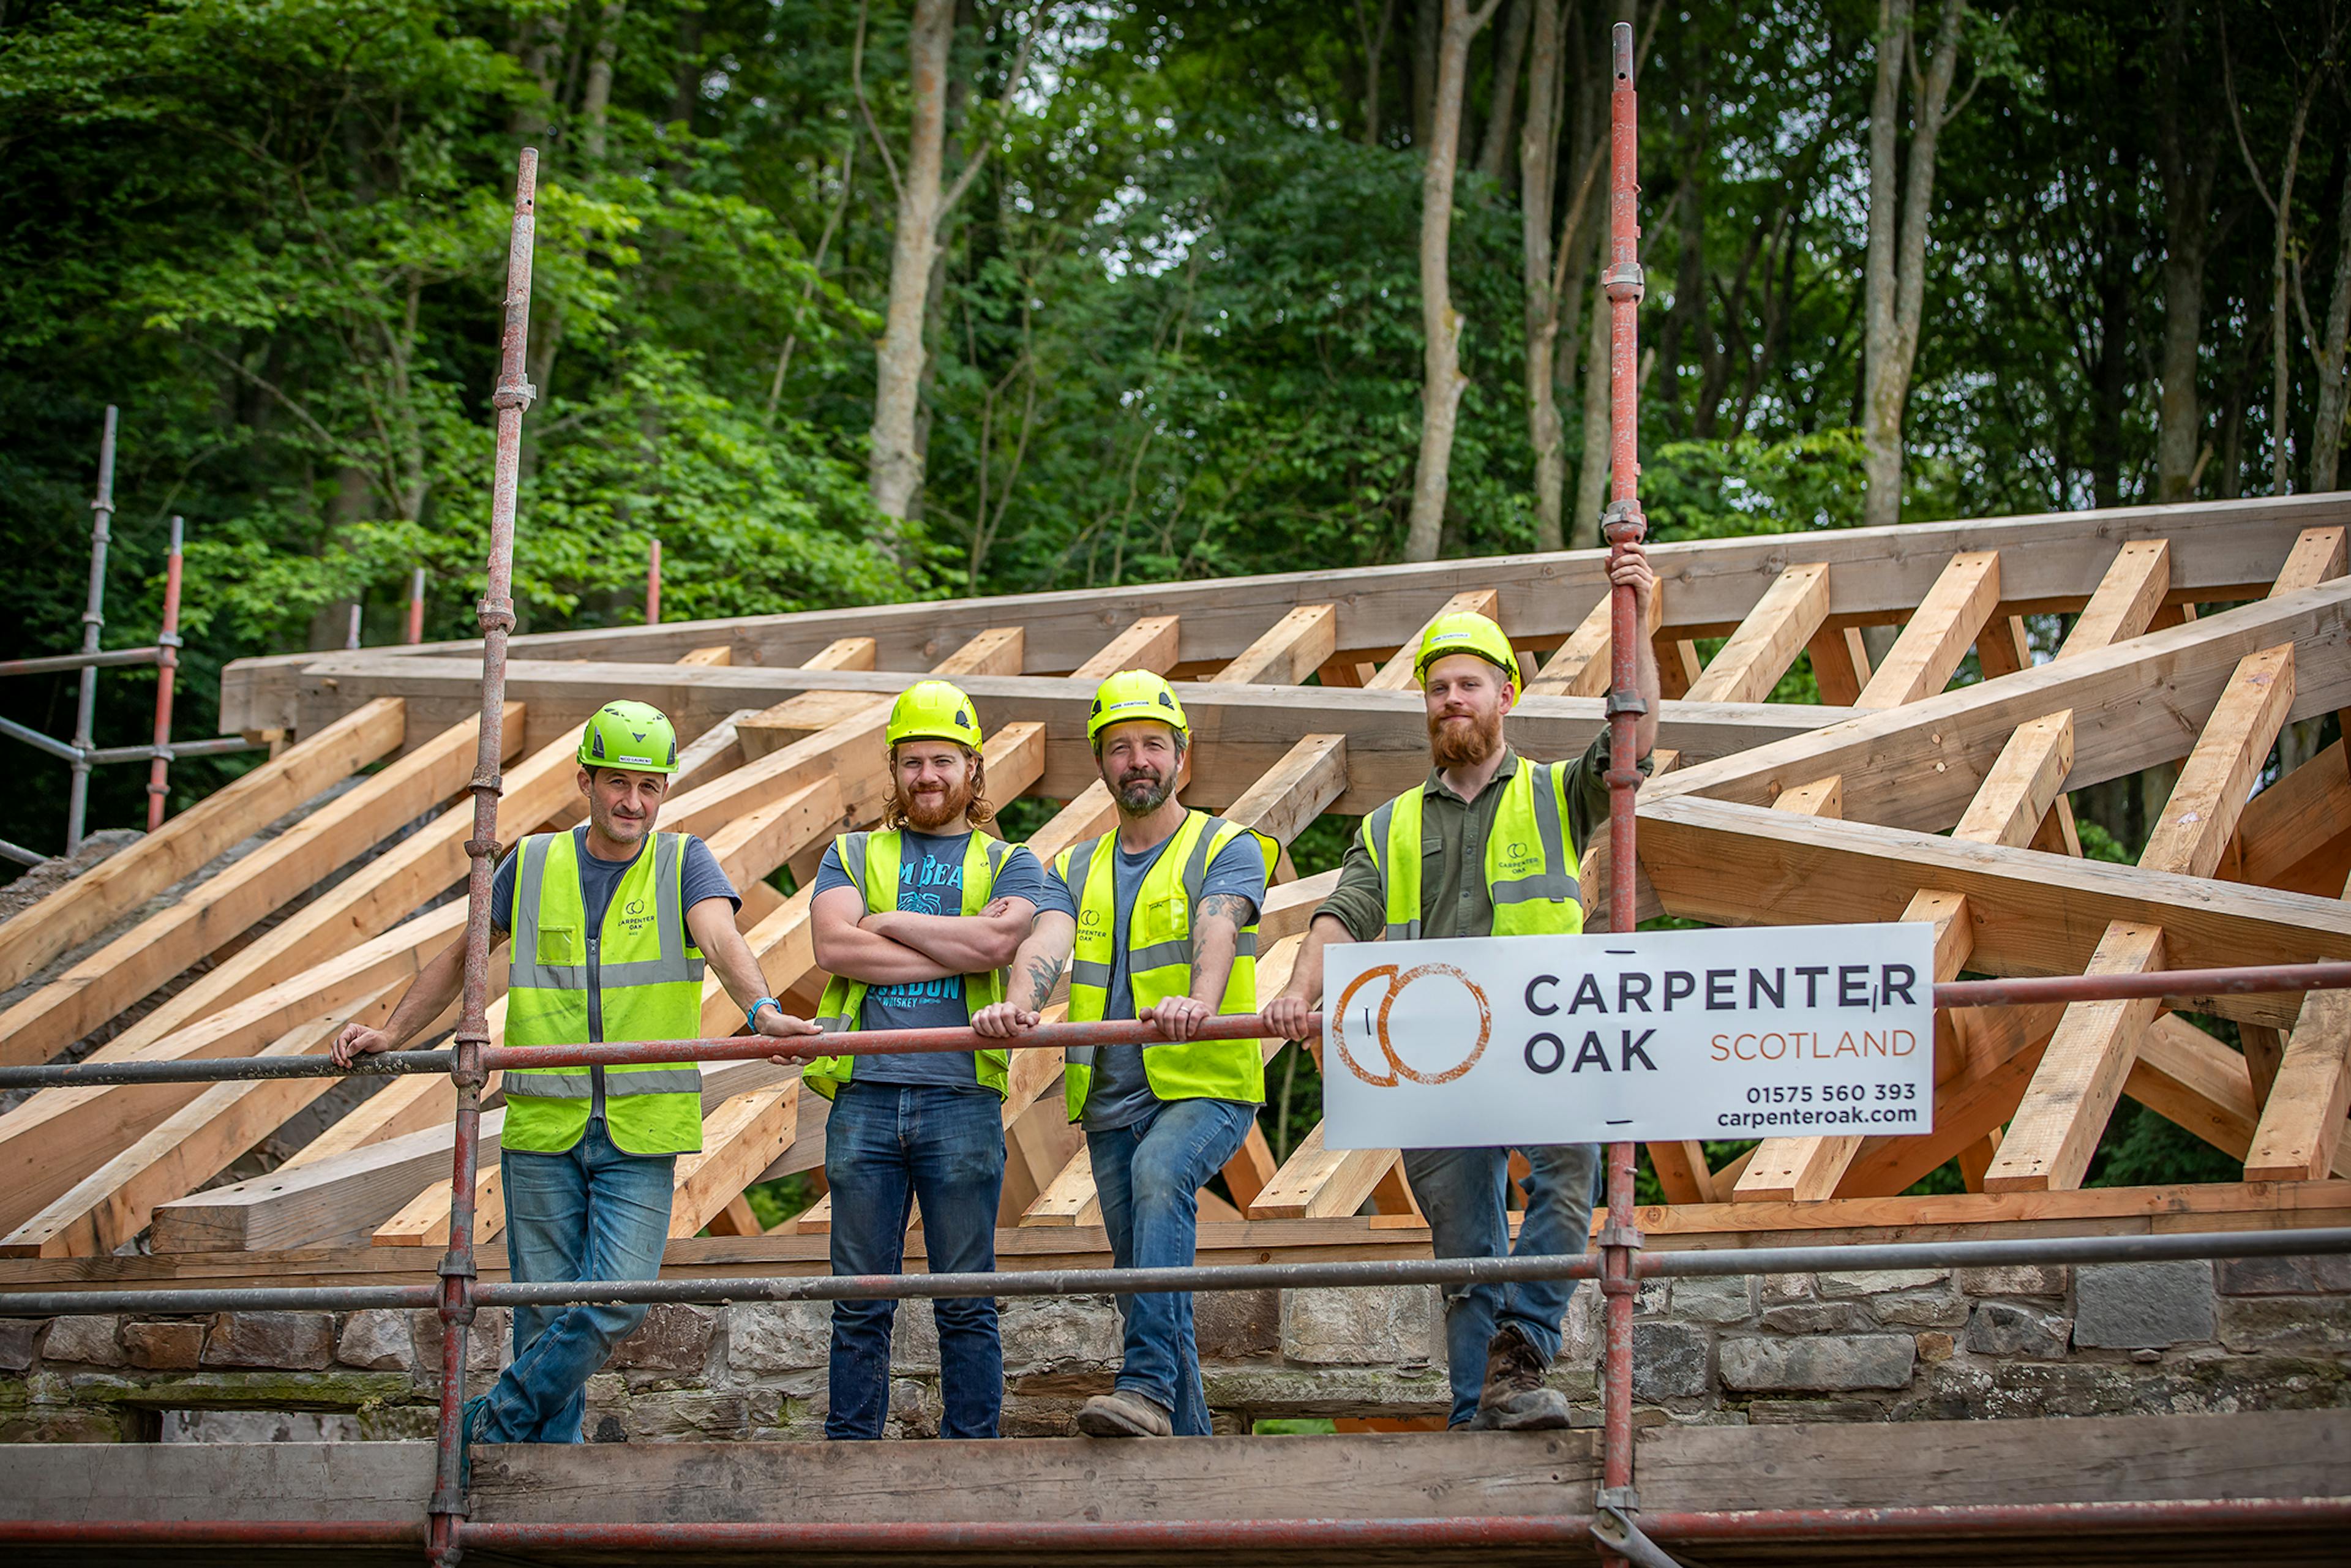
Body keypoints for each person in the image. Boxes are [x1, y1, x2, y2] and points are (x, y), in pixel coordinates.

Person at [332, 699, 818, 1448]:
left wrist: (762, 1012)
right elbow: (462, 956)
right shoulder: (529, 863)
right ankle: (541, 1480)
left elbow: (722, 941)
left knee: (615, 1298)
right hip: (543, 1126)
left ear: (665, 789)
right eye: (619, 782)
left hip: (640, 1125)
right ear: (586, 779)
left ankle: (485, 1429)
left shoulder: (684, 860)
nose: (634, 802)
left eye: (650, 786)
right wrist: (393, 1030)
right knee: (542, 1312)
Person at [1264, 549, 1661, 1432]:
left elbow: (1633, 741)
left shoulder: (1559, 793)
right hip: (1430, 1052)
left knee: (1566, 1173)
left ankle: (1523, 1350)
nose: (1452, 699)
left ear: (1504, 697)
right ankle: (1477, 1405)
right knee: (1465, 1238)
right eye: (1438, 687)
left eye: (1469, 684)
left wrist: (1638, 613)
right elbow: (1345, 913)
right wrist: (1300, 985)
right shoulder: (1389, 824)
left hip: (1536, 1035)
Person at [974, 670, 1275, 1439]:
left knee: (1161, 1174)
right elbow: (1047, 940)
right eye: (1119, 748)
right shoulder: (1074, 867)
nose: (1137, 759)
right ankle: (1196, 1471)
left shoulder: (1225, 844)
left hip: (1201, 1084)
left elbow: (1219, 924)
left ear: (1182, 756)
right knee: (1145, 1285)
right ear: (1101, 763)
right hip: (1110, 1101)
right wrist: (1020, 1001)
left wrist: (1199, 1001)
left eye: (1151, 744)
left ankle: (1142, 1384)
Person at [796, 680, 1045, 1441]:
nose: (927, 776)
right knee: (860, 1297)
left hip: (958, 1097)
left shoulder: (1011, 860)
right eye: (911, 761)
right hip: (865, 1094)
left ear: (973, 768)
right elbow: (835, 946)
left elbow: (999, 945)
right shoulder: (851, 850)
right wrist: (953, 939)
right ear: (894, 771)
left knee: (965, 1295)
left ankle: (972, 1454)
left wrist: (889, 922)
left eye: (942, 760)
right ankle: (851, 1454)